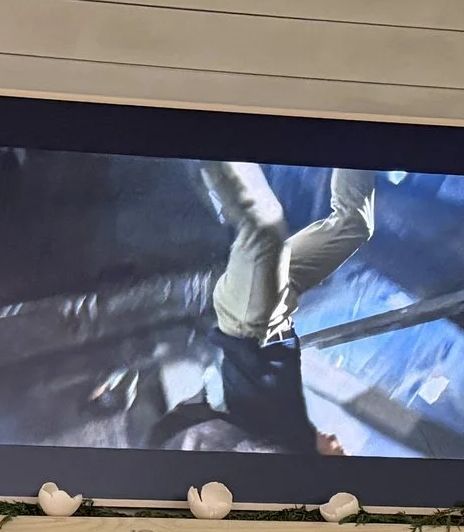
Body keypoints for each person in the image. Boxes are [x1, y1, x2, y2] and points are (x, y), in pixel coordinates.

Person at [150, 162, 377, 453]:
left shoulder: (283, 449)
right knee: (355, 224)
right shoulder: (297, 431)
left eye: (341, 454)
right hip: (278, 304)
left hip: (249, 321)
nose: (339, 443)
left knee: (264, 224)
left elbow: (251, 456)